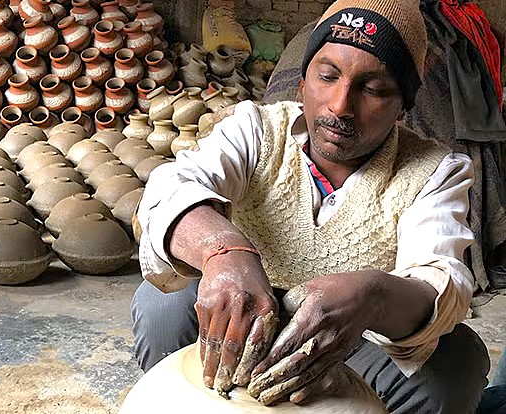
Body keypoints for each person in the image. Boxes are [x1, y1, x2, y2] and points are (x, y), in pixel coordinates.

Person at [131, 0, 490, 412]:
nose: (340, 106)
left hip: (353, 338)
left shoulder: (434, 171)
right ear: (302, 82)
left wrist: (370, 295)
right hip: (243, 313)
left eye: (373, 89)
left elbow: (441, 282)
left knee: (456, 361)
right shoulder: (257, 130)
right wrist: (223, 251)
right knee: (163, 302)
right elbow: (170, 188)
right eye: (328, 76)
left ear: (403, 104)